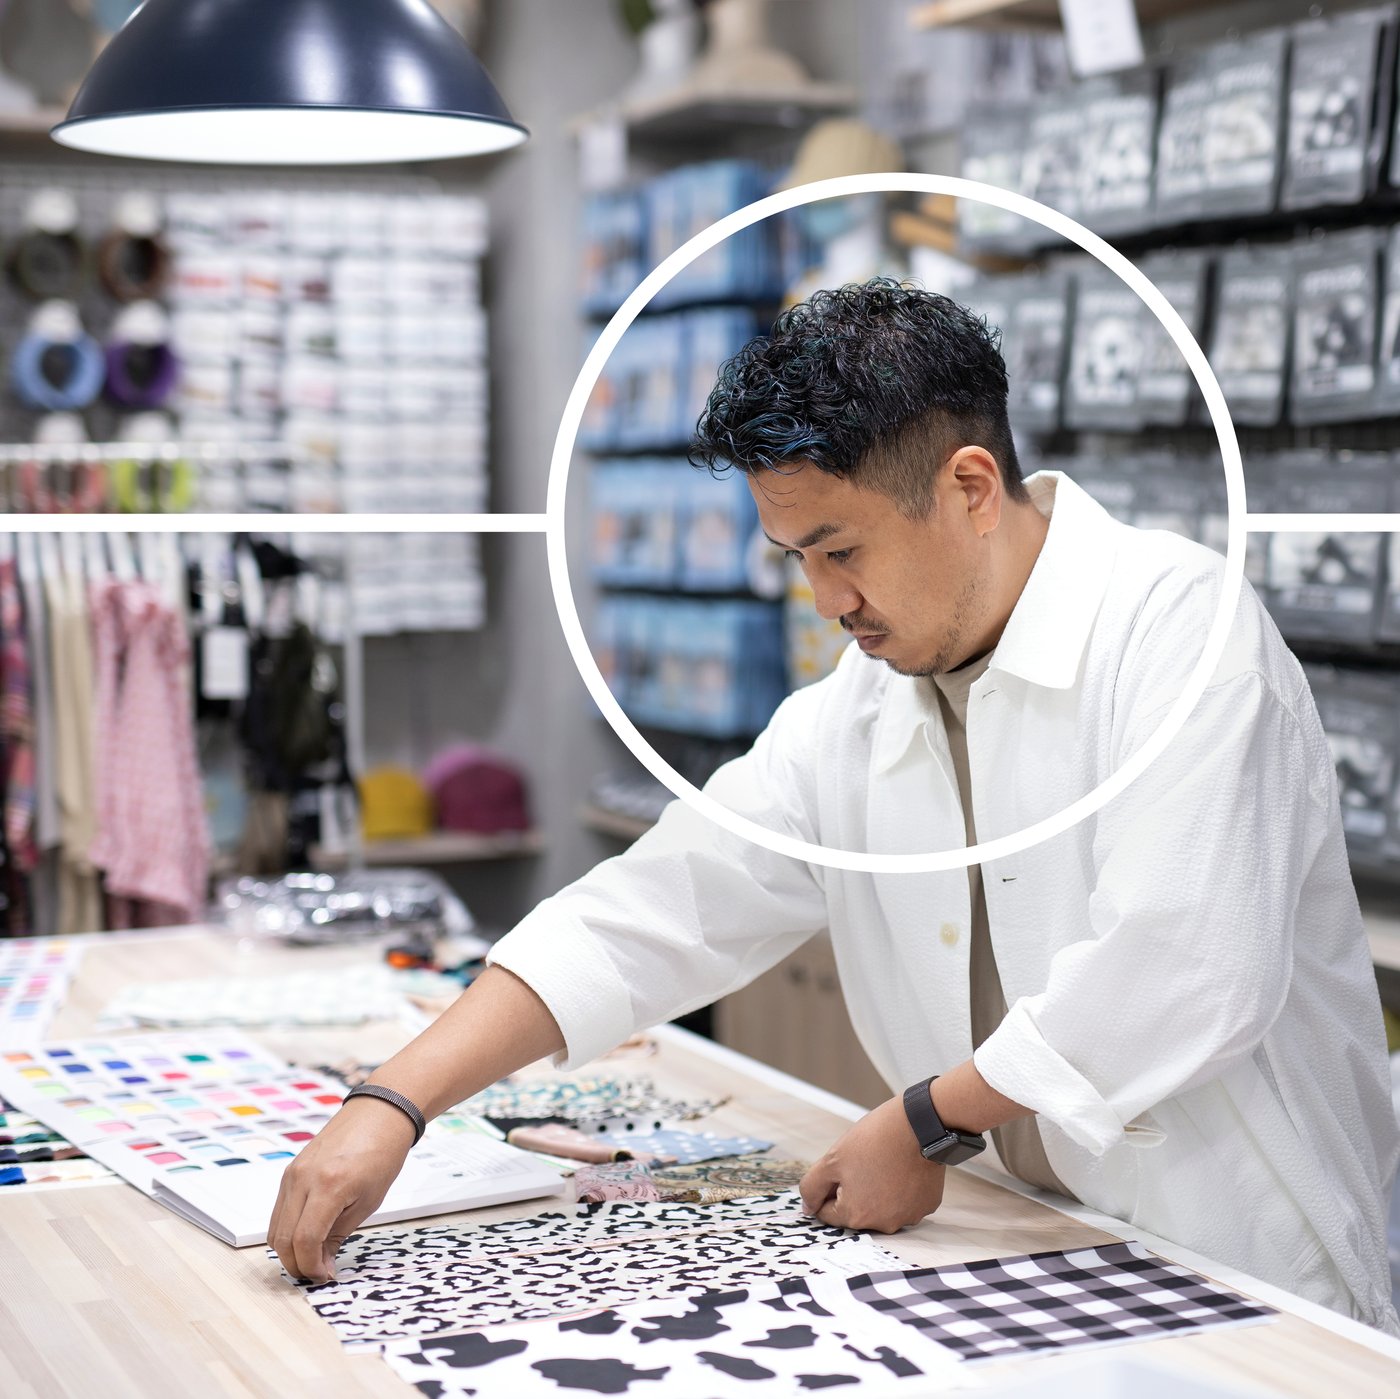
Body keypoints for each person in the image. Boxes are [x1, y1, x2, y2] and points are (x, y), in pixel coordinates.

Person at [269, 280, 1400, 1335]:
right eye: (793, 558)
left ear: (966, 488)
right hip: (1032, 1248)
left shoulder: (1177, 634)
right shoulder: (859, 707)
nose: (824, 601)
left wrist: (925, 1121)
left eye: (839, 548)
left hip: (1247, 1273)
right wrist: (396, 1101)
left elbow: (1183, 967)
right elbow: (655, 904)